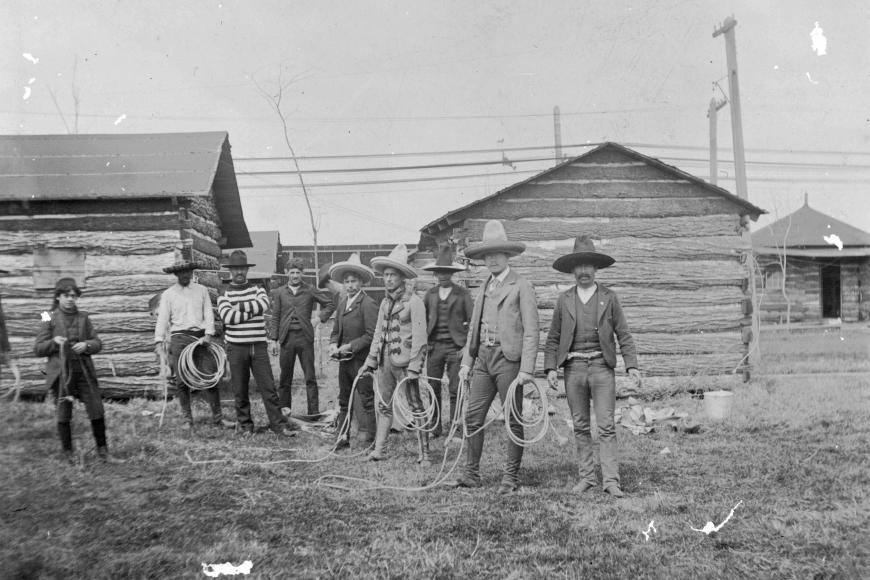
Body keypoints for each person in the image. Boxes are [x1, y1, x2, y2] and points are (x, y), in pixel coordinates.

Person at [543, 236, 641, 498]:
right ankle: (587, 478)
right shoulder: (564, 300)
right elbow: (553, 337)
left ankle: (611, 480)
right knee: (580, 425)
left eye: (588, 266)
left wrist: (632, 366)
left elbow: (624, 334)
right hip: (573, 369)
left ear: (596, 269)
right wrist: (551, 368)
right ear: (572, 270)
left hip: (601, 368)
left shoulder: (609, 298)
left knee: (607, 425)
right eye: (579, 266)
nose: (584, 272)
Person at [450, 220, 539, 494]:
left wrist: (526, 369)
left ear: (507, 256)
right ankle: (471, 474)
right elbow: (474, 328)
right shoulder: (484, 288)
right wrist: (467, 361)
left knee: (512, 419)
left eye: (497, 254)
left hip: (508, 360)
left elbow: (532, 331)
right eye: (487, 255)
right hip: (483, 361)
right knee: (473, 415)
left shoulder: (521, 286)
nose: (492, 259)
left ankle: (510, 478)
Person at [34, 278, 123, 463]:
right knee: (63, 412)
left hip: (83, 370)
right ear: (58, 297)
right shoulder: (47, 315)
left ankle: (103, 452)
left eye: (73, 296)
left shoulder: (84, 317)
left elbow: (98, 343)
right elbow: (38, 348)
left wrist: (87, 345)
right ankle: (68, 454)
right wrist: (53, 342)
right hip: (61, 373)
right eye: (66, 295)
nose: (70, 299)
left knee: (96, 408)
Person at [359, 244, 429, 464]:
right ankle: (379, 449)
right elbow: (379, 332)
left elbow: (420, 338)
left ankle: (424, 453)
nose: (388, 279)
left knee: (415, 405)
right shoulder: (385, 302)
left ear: (402, 277)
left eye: (392, 275)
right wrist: (370, 361)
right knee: (383, 405)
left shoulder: (415, 302)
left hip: (405, 363)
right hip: (384, 363)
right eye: (386, 275)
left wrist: (415, 367)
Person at [218, 250, 296, 437]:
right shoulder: (223, 292)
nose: (239, 272)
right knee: (240, 389)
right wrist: (250, 310)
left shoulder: (258, 288)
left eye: (242, 268)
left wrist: (239, 307)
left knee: (268, 387)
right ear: (231, 271)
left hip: (258, 347)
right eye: (235, 269)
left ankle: (278, 426)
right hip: (236, 348)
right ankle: (246, 426)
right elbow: (228, 317)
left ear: (247, 269)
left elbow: (264, 305)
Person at [154, 260, 233, 429]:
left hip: (200, 338)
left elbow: (208, 313)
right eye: (181, 273)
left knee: (210, 377)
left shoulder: (202, 290)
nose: (184, 275)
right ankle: (187, 420)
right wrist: (159, 340)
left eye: (187, 272)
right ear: (176, 275)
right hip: (179, 338)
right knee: (181, 382)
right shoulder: (168, 294)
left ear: (191, 272)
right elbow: (162, 318)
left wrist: (208, 334)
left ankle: (218, 419)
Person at [268, 258, 335, 419]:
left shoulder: (310, 289)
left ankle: (313, 414)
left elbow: (330, 304)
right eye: (292, 272)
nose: (295, 276)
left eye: (298, 272)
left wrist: (318, 319)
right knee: (285, 379)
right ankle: (285, 413)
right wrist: (273, 340)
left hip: (305, 338)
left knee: (310, 378)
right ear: (286, 273)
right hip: (287, 339)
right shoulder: (280, 292)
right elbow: (275, 316)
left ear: (302, 273)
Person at [327, 253, 379, 449]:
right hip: (345, 361)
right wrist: (333, 344)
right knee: (344, 399)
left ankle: (372, 439)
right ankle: (342, 437)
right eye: (347, 282)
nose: (350, 285)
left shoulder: (367, 304)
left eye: (354, 281)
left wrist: (351, 346)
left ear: (361, 282)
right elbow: (335, 331)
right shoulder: (342, 304)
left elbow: (372, 334)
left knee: (366, 399)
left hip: (361, 361)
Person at [421, 244, 473, 437]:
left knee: (455, 389)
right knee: (432, 387)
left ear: (451, 273)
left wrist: (466, 347)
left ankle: (456, 427)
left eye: (446, 272)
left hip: (455, 349)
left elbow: (473, 322)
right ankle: (435, 427)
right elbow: (422, 319)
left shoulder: (462, 294)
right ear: (435, 274)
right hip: (434, 347)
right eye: (439, 272)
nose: (442, 276)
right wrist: (425, 343)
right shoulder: (430, 294)